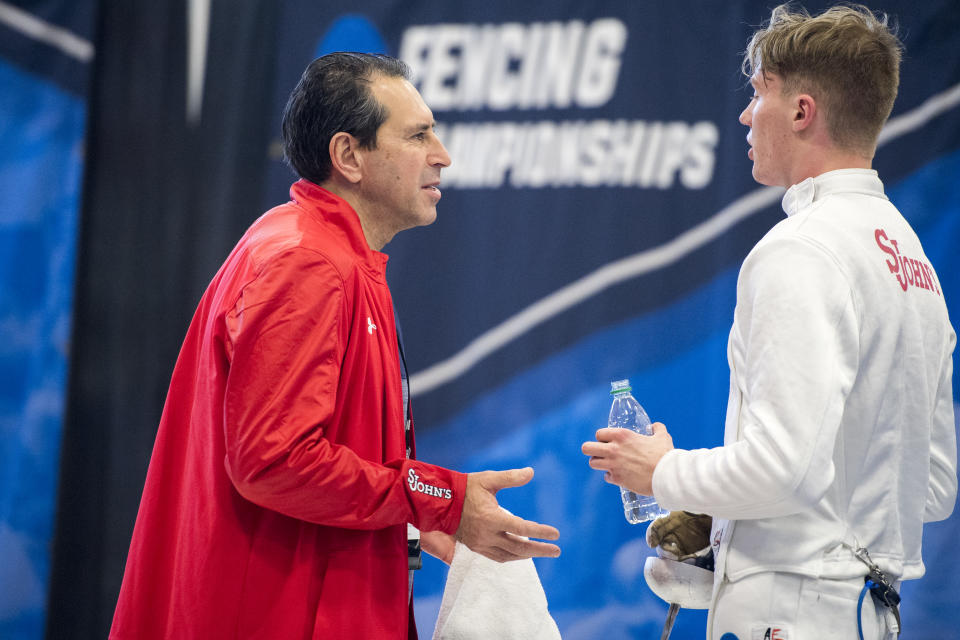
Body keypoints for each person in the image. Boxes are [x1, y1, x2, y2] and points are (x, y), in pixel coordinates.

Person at [110, 52, 560, 640]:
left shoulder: (327, 252)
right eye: (419, 134)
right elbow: (274, 462)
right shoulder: (307, 262)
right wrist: (436, 498)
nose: (442, 155)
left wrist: (410, 519)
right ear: (349, 156)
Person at [582, 5, 956, 639]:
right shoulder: (909, 257)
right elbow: (931, 486)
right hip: (865, 616)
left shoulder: (800, 248)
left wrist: (662, 471)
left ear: (802, 111)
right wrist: (729, 524)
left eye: (759, 93)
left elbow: (783, 471)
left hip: (791, 616)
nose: (745, 115)